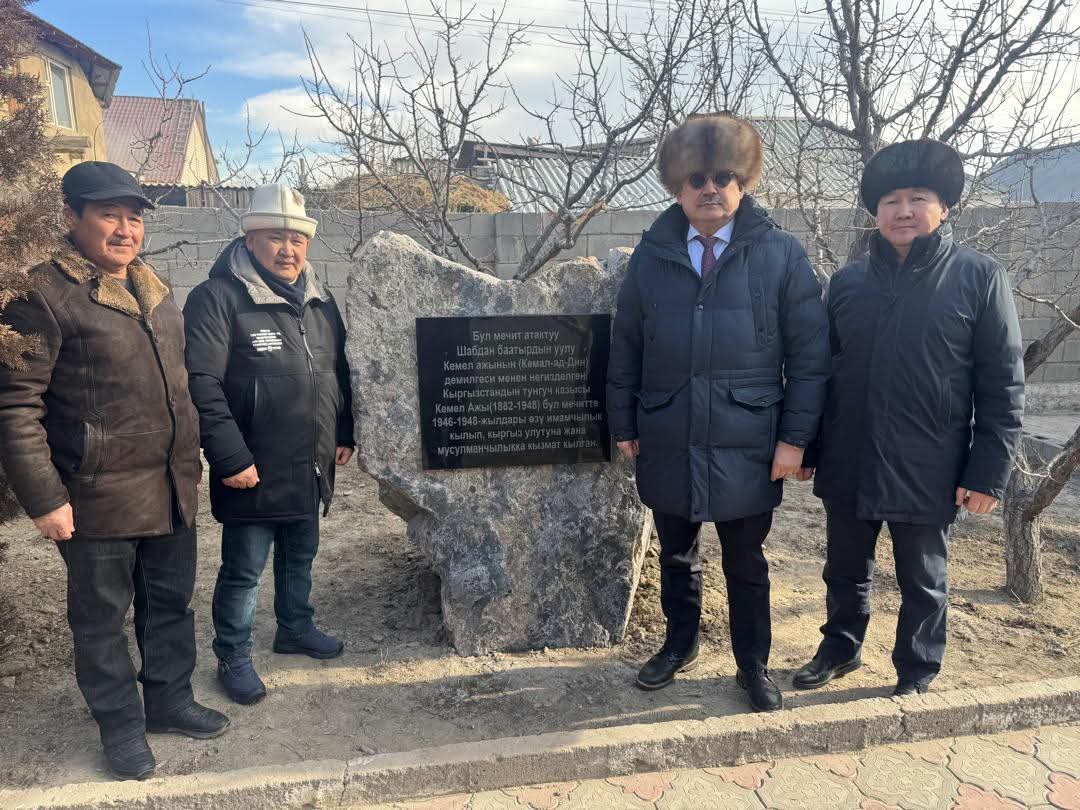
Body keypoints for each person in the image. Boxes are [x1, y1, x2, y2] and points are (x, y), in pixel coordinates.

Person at [0, 161, 229, 780]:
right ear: (71, 217)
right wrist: (45, 498)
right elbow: (16, 406)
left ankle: (170, 702)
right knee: (101, 622)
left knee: (171, 605)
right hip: (96, 496)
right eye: (109, 215)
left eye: (134, 217)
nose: (126, 229)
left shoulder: (155, 288)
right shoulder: (42, 295)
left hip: (171, 487)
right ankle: (121, 727)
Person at [607, 114, 830, 712]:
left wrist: (795, 440)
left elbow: (810, 358)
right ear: (678, 186)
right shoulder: (652, 256)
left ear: (744, 181)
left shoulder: (781, 254)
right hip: (668, 429)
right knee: (676, 554)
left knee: (746, 561)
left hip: (748, 436)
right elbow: (626, 344)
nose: (711, 188)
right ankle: (679, 644)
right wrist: (624, 422)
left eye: (724, 177)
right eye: (697, 178)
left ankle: (752, 663)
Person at [792, 139, 1025, 696]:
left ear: (944, 206)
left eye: (917, 198)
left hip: (930, 461)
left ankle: (917, 668)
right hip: (850, 454)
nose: (903, 211)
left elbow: (1002, 384)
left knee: (923, 576)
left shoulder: (978, 277)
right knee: (844, 568)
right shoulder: (847, 283)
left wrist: (987, 472)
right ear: (875, 212)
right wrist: (810, 447)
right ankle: (840, 648)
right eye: (891, 201)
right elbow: (823, 372)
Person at [183, 184, 355, 706]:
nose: (287, 250)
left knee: (300, 556)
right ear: (250, 240)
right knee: (243, 572)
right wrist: (230, 457)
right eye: (275, 238)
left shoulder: (321, 301)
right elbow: (201, 384)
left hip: (310, 461)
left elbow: (338, 371)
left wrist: (343, 431)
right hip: (252, 465)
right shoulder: (217, 299)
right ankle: (233, 655)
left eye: (296, 240)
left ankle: (295, 628)